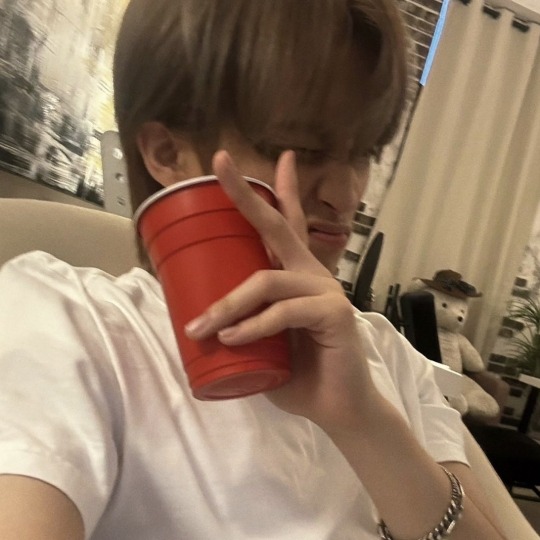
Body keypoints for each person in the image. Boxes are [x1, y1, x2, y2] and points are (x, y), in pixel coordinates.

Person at [0, 1, 508, 539]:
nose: (347, 195)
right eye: (302, 150)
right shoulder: (70, 325)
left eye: (365, 152)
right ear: (168, 153)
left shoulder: (390, 357)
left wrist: (364, 423)